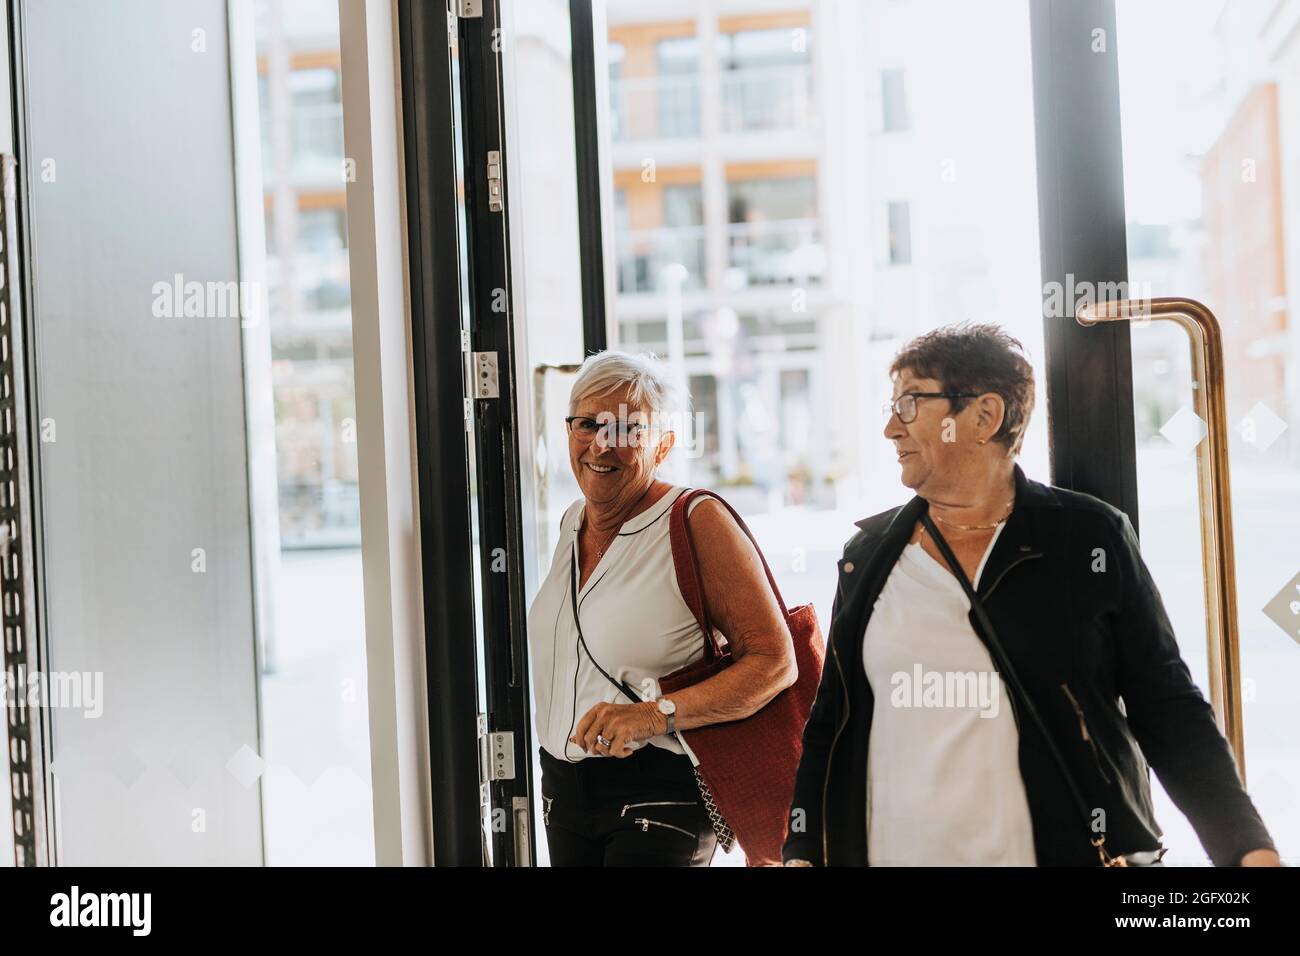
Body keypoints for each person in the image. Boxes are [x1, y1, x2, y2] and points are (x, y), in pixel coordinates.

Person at [783, 323, 1280, 867]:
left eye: (908, 404)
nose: (889, 429)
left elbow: (1166, 706)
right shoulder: (870, 552)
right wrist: (802, 849)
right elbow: (831, 718)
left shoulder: (1086, 538)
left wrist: (1246, 848)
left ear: (983, 416)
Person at [528, 350, 797, 866]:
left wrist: (654, 715)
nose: (602, 443)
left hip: (659, 793)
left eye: (629, 428)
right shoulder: (571, 523)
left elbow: (774, 661)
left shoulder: (696, 518)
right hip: (562, 790)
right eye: (588, 423)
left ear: (664, 445)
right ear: (568, 430)